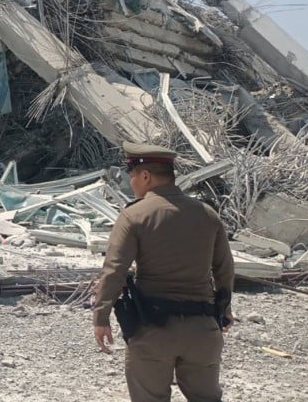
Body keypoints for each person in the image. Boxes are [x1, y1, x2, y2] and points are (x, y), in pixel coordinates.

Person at [93, 142, 234, 402]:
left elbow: (114, 269)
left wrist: (101, 317)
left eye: (132, 176)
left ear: (145, 176)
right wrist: (224, 311)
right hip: (203, 329)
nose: (131, 182)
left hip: (152, 329)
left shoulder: (135, 215)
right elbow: (224, 269)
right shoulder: (208, 214)